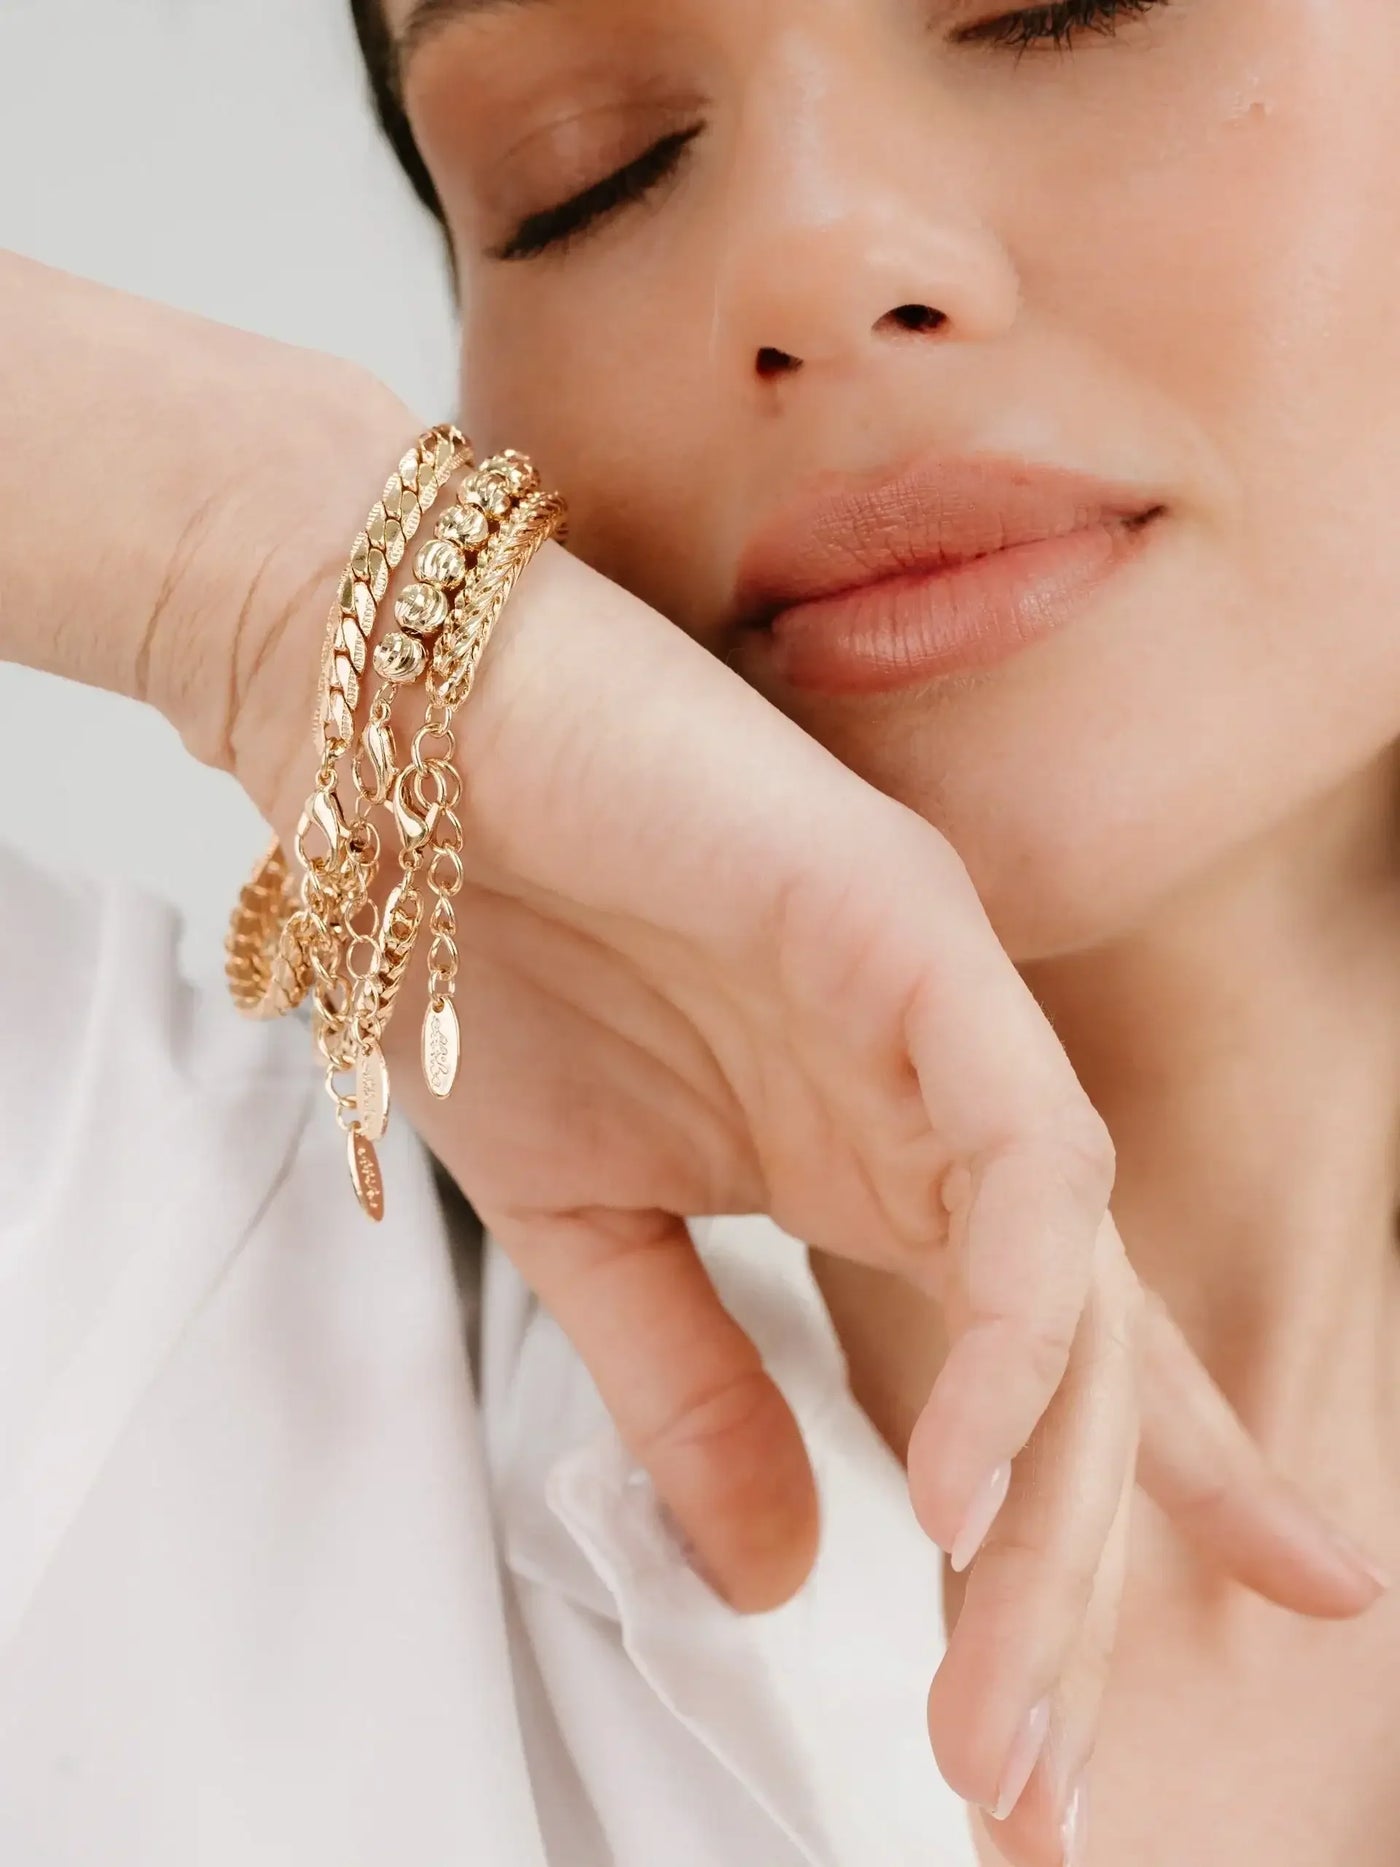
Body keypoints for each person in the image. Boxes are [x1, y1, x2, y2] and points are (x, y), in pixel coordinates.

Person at [3, 0, 1400, 1860]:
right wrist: (276, 572)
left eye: (1061, 3)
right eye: (582, 169)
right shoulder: (110, 1275)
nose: (815, 256)